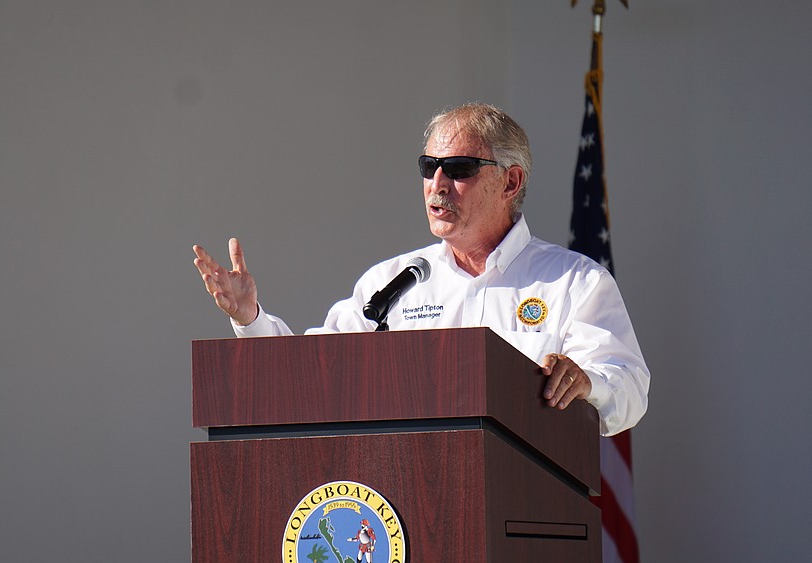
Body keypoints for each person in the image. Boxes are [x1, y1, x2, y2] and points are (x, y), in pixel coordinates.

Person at [192, 103, 648, 435]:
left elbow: (628, 389)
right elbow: (313, 373)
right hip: (408, 508)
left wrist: (589, 383)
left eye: (460, 168)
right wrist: (250, 319)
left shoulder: (575, 282)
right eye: (429, 167)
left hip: (522, 515)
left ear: (511, 181)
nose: (438, 184)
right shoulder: (392, 283)